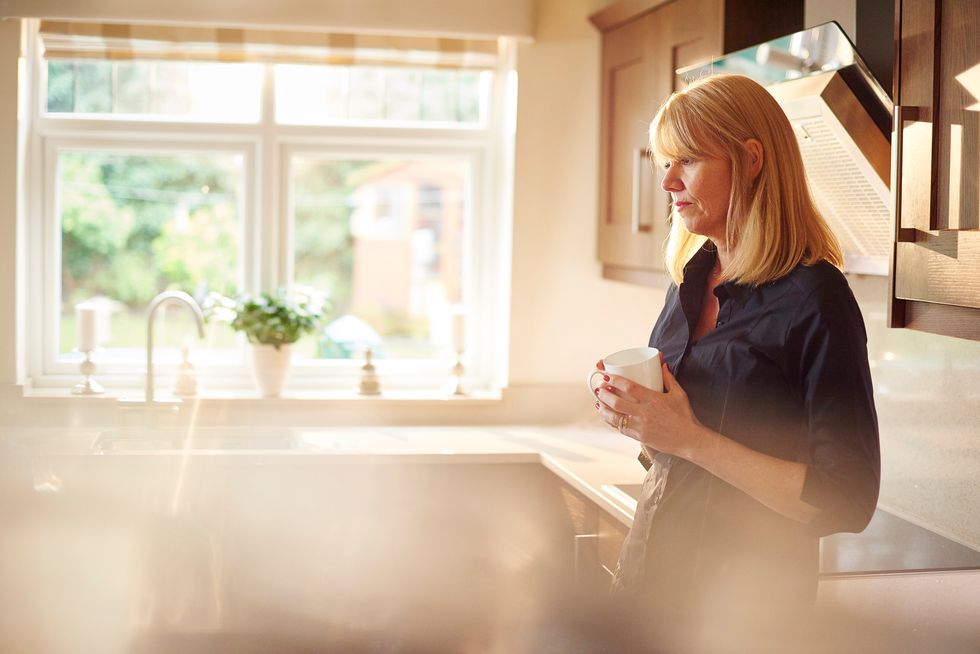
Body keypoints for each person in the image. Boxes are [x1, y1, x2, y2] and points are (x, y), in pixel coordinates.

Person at [592, 74, 880, 650]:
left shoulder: (815, 299)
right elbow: (676, 448)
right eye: (665, 163)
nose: (669, 181)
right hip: (648, 587)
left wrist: (690, 438)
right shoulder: (688, 281)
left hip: (743, 617)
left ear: (751, 159)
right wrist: (640, 417)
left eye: (689, 161)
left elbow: (846, 497)